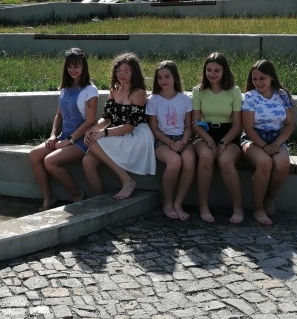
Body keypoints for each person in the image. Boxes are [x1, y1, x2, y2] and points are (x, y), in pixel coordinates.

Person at [28, 48, 98, 210]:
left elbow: (90, 121)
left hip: (81, 140)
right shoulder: (64, 88)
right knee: (34, 155)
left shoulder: (90, 90)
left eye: (76, 66)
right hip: (63, 136)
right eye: (70, 66)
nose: (73, 70)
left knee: (50, 161)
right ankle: (48, 197)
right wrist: (53, 135)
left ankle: (76, 193)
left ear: (84, 67)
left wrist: (69, 140)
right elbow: (58, 115)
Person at [83, 53, 155, 200]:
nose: (121, 75)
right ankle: (98, 200)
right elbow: (107, 118)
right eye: (118, 71)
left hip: (136, 134)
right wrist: (93, 130)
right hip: (116, 130)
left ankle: (127, 180)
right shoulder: (114, 90)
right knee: (87, 161)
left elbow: (130, 127)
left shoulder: (138, 93)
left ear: (134, 72)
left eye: (126, 71)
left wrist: (103, 133)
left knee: (94, 143)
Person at [241, 59, 296, 226]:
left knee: (282, 164)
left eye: (262, 78)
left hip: (276, 138)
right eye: (254, 79)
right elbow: (248, 128)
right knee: (264, 163)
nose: (258, 82)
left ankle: (269, 198)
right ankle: (258, 208)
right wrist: (264, 146)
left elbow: (290, 124)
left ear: (271, 77)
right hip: (253, 139)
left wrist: (277, 143)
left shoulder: (283, 95)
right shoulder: (250, 97)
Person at [191, 52, 244, 224]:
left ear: (224, 71)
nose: (212, 74)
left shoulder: (234, 91)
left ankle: (238, 208)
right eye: (209, 70)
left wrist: (223, 142)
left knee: (225, 160)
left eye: (216, 70)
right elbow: (195, 123)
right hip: (204, 133)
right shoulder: (198, 91)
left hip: (228, 135)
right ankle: (203, 206)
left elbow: (237, 125)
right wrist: (209, 140)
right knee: (206, 156)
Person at [146, 61, 196, 220]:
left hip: (183, 138)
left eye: (167, 76)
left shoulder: (185, 99)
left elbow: (188, 127)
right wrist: (171, 144)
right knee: (174, 161)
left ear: (175, 77)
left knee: (189, 161)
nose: (163, 80)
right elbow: (154, 129)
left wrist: (183, 142)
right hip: (162, 140)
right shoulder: (153, 100)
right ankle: (167, 203)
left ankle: (178, 203)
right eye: (160, 77)